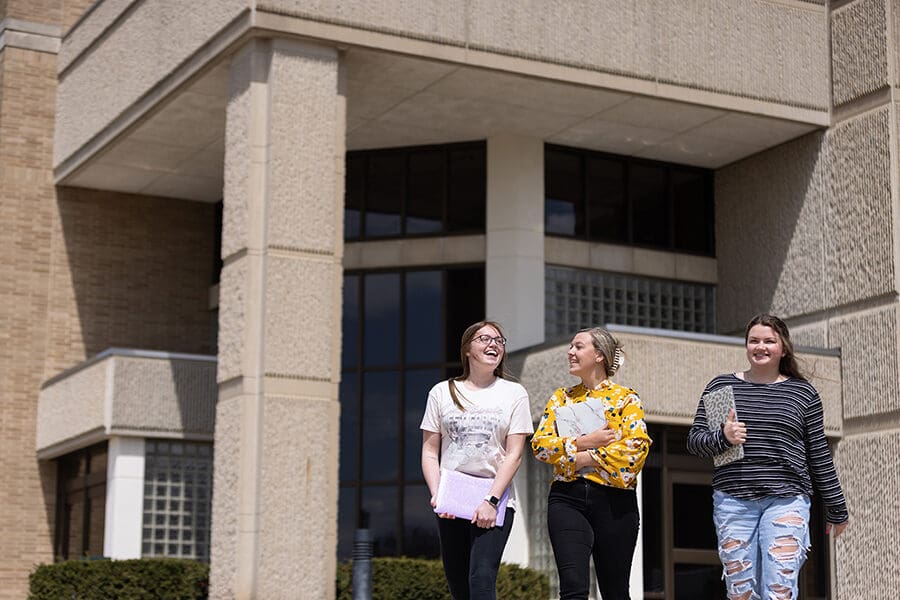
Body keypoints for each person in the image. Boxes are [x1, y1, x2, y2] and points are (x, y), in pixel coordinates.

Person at [686, 314, 849, 600]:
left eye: (769, 341)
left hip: (786, 500)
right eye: (754, 341)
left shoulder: (803, 394)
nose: (760, 347)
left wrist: (837, 508)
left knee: (779, 590)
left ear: (783, 348)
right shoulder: (722, 387)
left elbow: (819, 455)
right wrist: (723, 437)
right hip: (733, 501)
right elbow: (695, 443)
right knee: (741, 593)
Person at [532, 327, 651, 600]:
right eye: (571, 347)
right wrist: (586, 442)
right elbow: (540, 446)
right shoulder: (560, 398)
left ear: (599, 355)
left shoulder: (626, 399)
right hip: (567, 499)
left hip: (616, 502)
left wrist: (578, 458)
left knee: (615, 592)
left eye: (578, 346)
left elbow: (634, 453)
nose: (570, 352)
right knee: (572, 590)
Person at [420, 320, 534, 600]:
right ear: (467, 349)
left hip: (493, 498)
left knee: (481, 580)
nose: (493, 344)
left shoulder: (514, 393)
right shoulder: (441, 392)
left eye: (499, 340)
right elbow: (429, 452)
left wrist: (491, 501)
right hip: (452, 499)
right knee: (458, 584)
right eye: (484, 339)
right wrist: (438, 496)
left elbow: (514, 454)